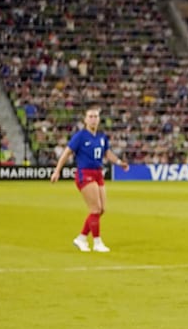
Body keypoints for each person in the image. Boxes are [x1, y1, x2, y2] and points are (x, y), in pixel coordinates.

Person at [51, 105, 129, 253]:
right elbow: (66, 153)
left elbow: (107, 153)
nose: (93, 119)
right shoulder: (80, 136)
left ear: (99, 120)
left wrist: (119, 163)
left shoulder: (101, 136)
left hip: (98, 173)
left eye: (95, 117)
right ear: (85, 120)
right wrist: (57, 171)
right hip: (85, 173)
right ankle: (97, 242)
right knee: (95, 209)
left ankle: (81, 238)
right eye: (90, 117)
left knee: (101, 210)